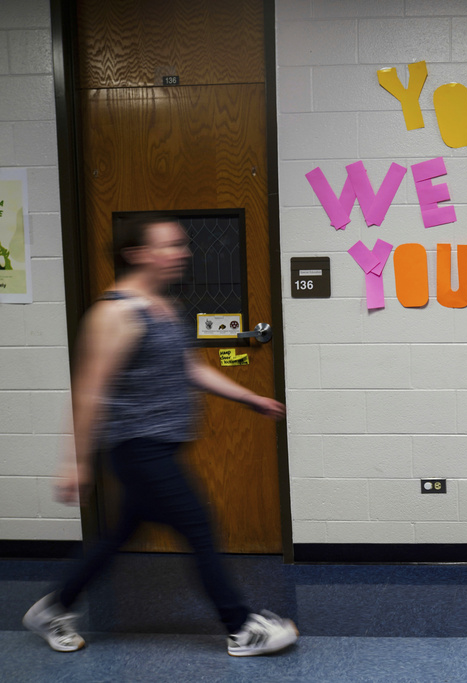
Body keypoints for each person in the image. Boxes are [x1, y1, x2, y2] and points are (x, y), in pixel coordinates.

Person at [22, 216, 298, 657]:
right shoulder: (114, 313)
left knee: (119, 535)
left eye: (181, 245)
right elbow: (88, 392)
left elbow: (189, 368)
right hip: (137, 448)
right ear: (136, 254)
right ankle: (242, 628)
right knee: (198, 526)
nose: (182, 253)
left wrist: (248, 397)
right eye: (169, 245)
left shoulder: (164, 306)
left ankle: (53, 608)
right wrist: (75, 462)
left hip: (160, 445)